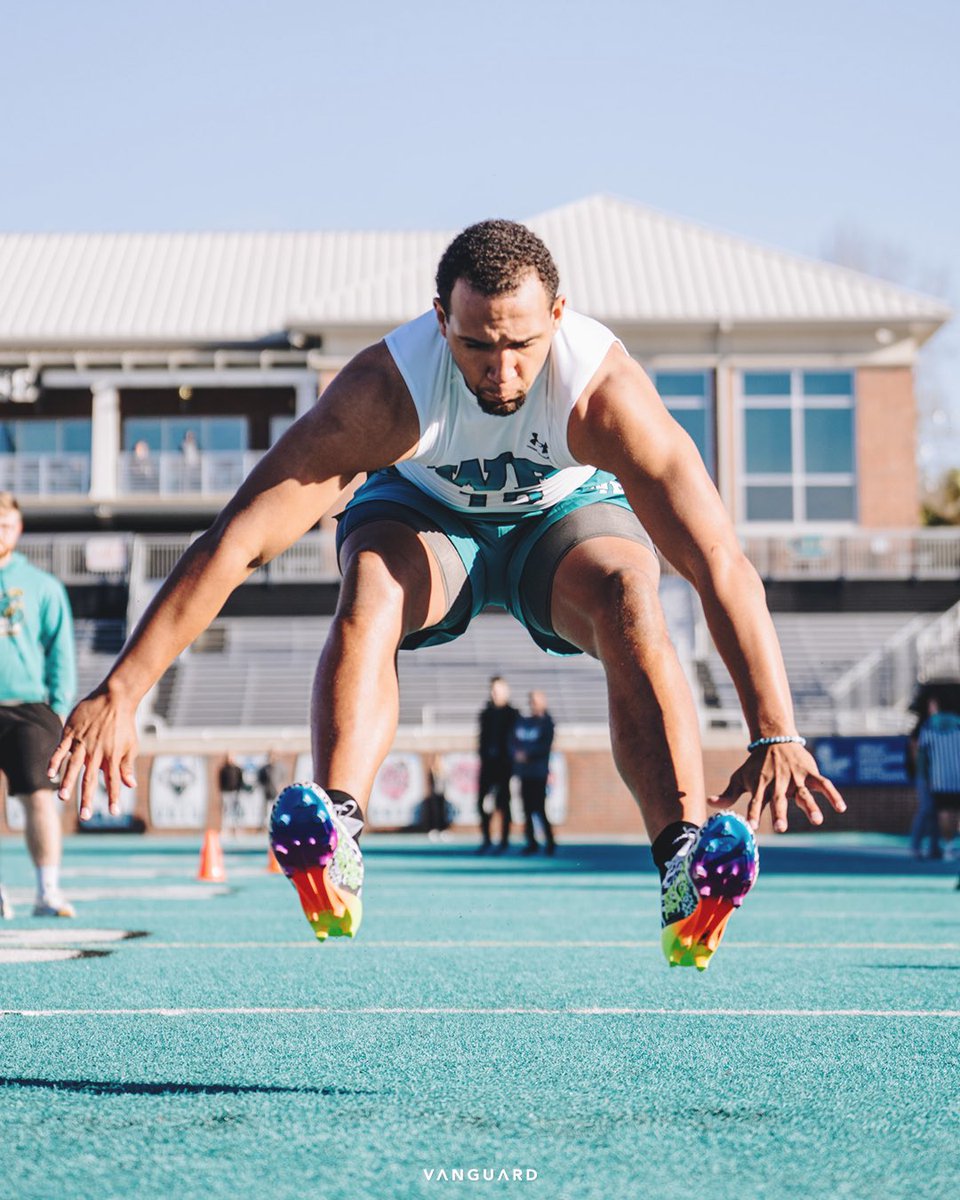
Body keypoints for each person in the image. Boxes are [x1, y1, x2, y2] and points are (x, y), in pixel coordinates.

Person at [49, 219, 845, 968]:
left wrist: (775, 730)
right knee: (370, 582)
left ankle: (681, 862)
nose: (500, 372)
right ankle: (341, 834)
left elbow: (720, 563)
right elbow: (238, 541)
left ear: (559, 317)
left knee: (632, 594)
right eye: (476, 346)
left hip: (558, 523)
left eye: (522, 346)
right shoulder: (385, 392)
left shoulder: (604, 396)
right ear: (440, 321)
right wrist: (123, 688)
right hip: (423, 520)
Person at [0, 493, 77, 918]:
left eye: (6, 524)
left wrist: (60, 707)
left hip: (28, 707)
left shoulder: (43, 586)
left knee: (39, 798)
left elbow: (60, 651)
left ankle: (47, 891)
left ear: (19, 529)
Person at [511, 690, 556, 856]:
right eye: (532, 701)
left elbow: (544, 747)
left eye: (537, 701)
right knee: (526, 809)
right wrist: (516, 754)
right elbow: (513, 741)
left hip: (539, 773)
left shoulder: (547, 723)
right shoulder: (523, 722)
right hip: (525, 773)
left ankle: (550, 842)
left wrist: (528, 755)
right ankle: (531, 842)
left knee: (539, 808)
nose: (534, 704)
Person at [476, 676, 518, 853]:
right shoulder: (485, 714)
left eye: (498, 690)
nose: (495, 694)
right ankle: (486, 839)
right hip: (488, 765)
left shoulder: (513, 714)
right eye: (493, 690)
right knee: (482, 803)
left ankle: (504, 840)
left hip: (504, 766)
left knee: (503, 804)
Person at [908, 697, 944, 860]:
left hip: (939, 775)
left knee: (935, 811)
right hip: (926, 776)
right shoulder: (923, 727)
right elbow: (917, 753)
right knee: (926, 809)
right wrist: (924, 774)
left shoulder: (940, 726)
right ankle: (915, 846)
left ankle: (934, 847)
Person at [218, 752, 243, 837]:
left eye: (231, 757)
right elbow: (220, 782)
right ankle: (225, 830)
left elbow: (240, 781)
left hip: (235, 792)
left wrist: (239, 791)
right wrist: (222, 791)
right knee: (226, 812)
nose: (230, 759)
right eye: (228, 757)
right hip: (226, 793)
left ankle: (237, 830)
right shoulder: (223, 769)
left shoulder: (237, 769)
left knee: (236, 812)